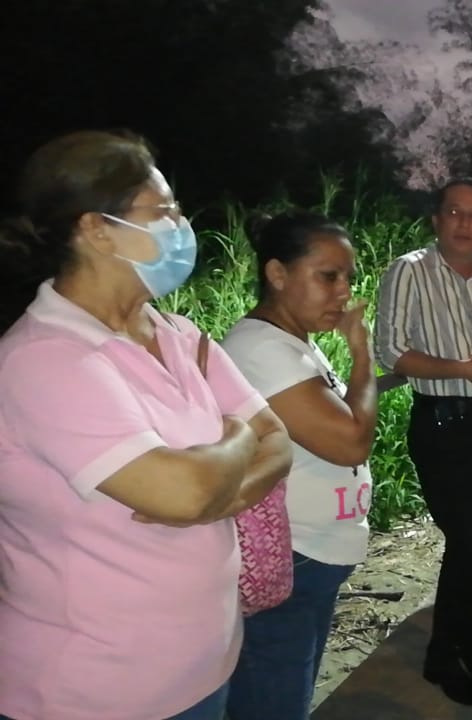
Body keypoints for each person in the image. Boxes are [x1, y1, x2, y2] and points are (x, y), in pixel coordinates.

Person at [0, 130, 292, 720]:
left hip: (203, 668)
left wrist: (221, 491)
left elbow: (279, 442)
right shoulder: (47, 359)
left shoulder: (178, 335)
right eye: (162, 211)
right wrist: (237, 436)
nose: (180, 226)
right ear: (96, 228)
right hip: (95, 693)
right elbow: (184, 492)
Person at [375, 176, 472, 706]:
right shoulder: (410, 270)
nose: (464, 223)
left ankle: (456, 645)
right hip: (440, 422)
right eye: (454, 212)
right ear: (436, 220)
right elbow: (391, 350)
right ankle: (462, 649)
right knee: (465, 538)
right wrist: (463, 370)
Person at [220, 210, 378, 720]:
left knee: (291, 689)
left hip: (312, 557)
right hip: (291, 558)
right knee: (274, 701)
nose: (344, 291)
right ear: (277, 273)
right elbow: (351, 441)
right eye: (328, 276)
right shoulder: (261, 349)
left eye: (347, 277)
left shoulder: (292, 345)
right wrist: (362, 355)